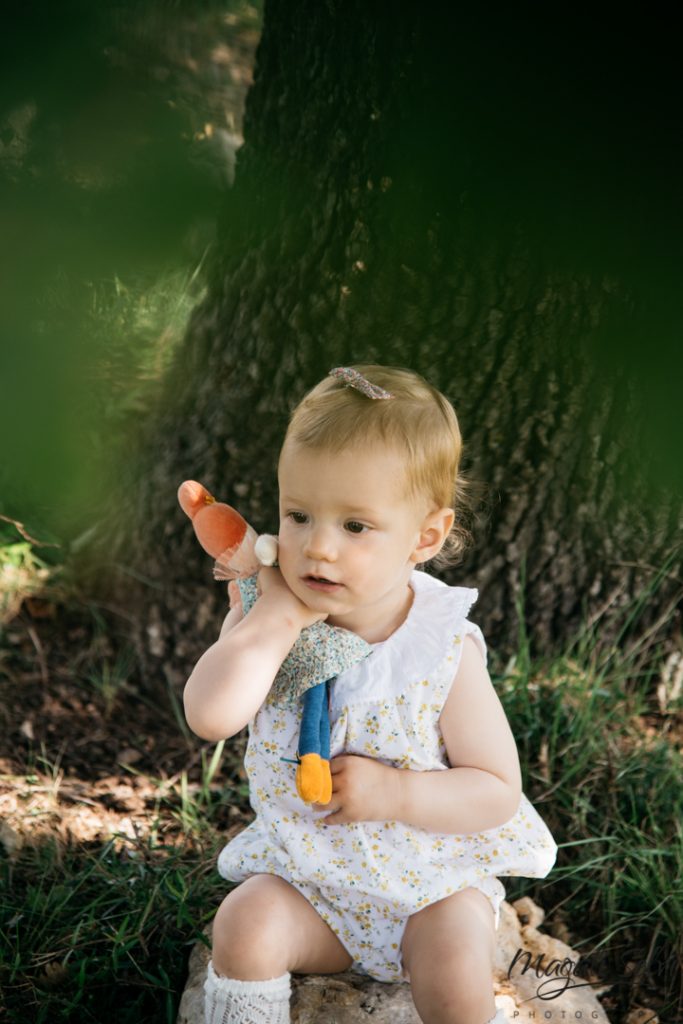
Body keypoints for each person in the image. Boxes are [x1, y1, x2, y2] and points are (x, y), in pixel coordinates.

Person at [184, 365, 557, 1024]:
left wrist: (397, 793)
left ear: (425, 537)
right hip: (312, 886)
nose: (318, 548)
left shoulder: (437, 646)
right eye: (298, 515)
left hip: (428, 891)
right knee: (243, 923)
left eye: (355, 526)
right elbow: (210, 717)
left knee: (452, 966)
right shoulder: (267, 618)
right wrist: (271, 623)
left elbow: (495, 788)